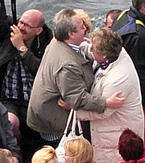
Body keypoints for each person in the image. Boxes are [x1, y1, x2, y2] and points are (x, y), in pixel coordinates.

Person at [26, 8, 114, 147]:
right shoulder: (68, 65)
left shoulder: (55, 43)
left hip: (43, 115)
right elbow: (77, 99)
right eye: (81, 27)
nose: (85, 29)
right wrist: (106, 103)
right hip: (56, 126)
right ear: (71, 34)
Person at [0, 0, 49, 150]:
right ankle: (15, 149)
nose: (21, 27)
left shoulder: (46, 44)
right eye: (21, 22)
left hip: (34, 99)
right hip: (9, 98)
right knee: (11, 122)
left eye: (28, 25)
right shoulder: (9, 33)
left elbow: (41, 70)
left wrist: (22, 48)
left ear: (38, 30)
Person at [78, 28, 144, 163]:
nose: (91, 50)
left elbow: (103, 111)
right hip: (109, 131)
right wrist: (76, 44)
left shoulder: (118, 79)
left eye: (94, 49)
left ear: (104, 55)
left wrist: (73, 110)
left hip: (115, 139)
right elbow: (90, 49)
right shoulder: (117, 52)